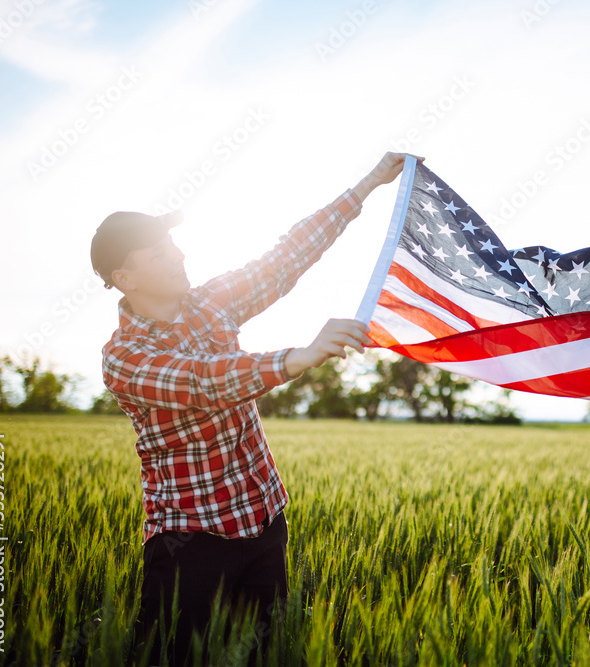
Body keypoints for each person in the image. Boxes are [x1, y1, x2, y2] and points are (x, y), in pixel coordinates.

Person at [90, 152, 419, 665]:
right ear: (124, 279)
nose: (177, 256)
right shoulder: (124, 358)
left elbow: (286, 257)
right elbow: (203, 383)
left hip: (265, 521)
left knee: (261, 656)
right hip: (190, 543)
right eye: (157, 254)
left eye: (172, 244)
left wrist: (371, 182)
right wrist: (297, 358)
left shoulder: (210, 301)